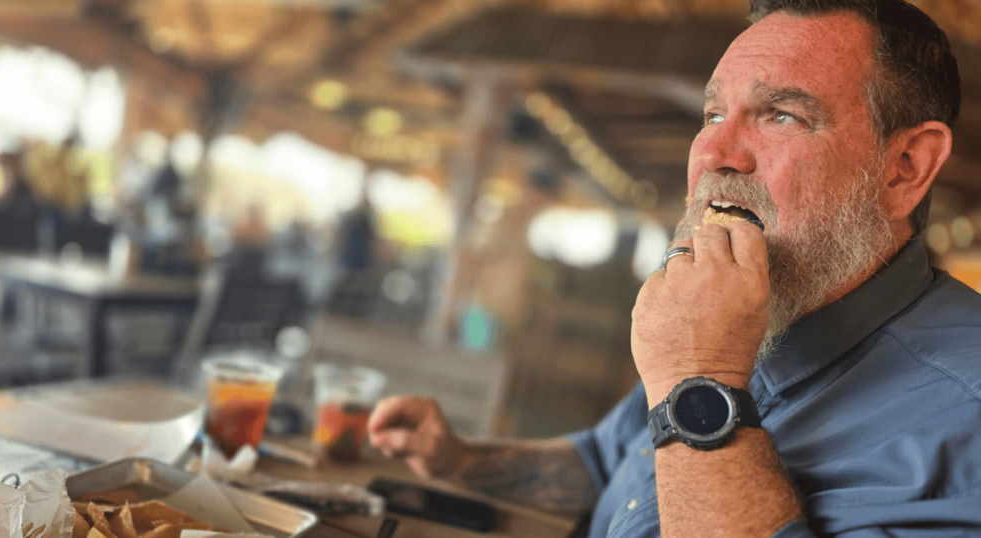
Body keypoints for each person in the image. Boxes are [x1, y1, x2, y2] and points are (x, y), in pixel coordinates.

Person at [367, 1, 981, 536]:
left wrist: (700, 381)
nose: (713, 152)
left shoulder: (964, 415)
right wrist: (458, 460)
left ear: (905, 166)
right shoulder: (744, 314)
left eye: (782, 115)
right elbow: (613, 465)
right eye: (713, 116)